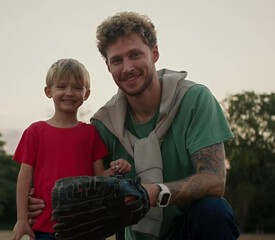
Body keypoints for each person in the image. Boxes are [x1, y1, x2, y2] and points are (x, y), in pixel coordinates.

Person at [28, 12, 240, 240]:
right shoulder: (103, 125)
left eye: (135, 55)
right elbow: (82, 180)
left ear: (154, 53)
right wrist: (40, 201)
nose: (127, 67)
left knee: (213, 211)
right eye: (117, 60)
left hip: (187, 229)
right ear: (108, 66)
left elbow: (214, 179)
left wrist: (154, 193)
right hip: (132, 235)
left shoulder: (194, 99)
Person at [11, 58, 131, 240]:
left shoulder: (90, 133)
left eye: (77, 87)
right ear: (48, 91)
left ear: (87, 93)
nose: (69, 93)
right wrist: (21, 219)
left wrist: (117, 168)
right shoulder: (35, 132)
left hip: (85, 227)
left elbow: (99, 179)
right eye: (61, 86)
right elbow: (24, 178)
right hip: (45, 228)